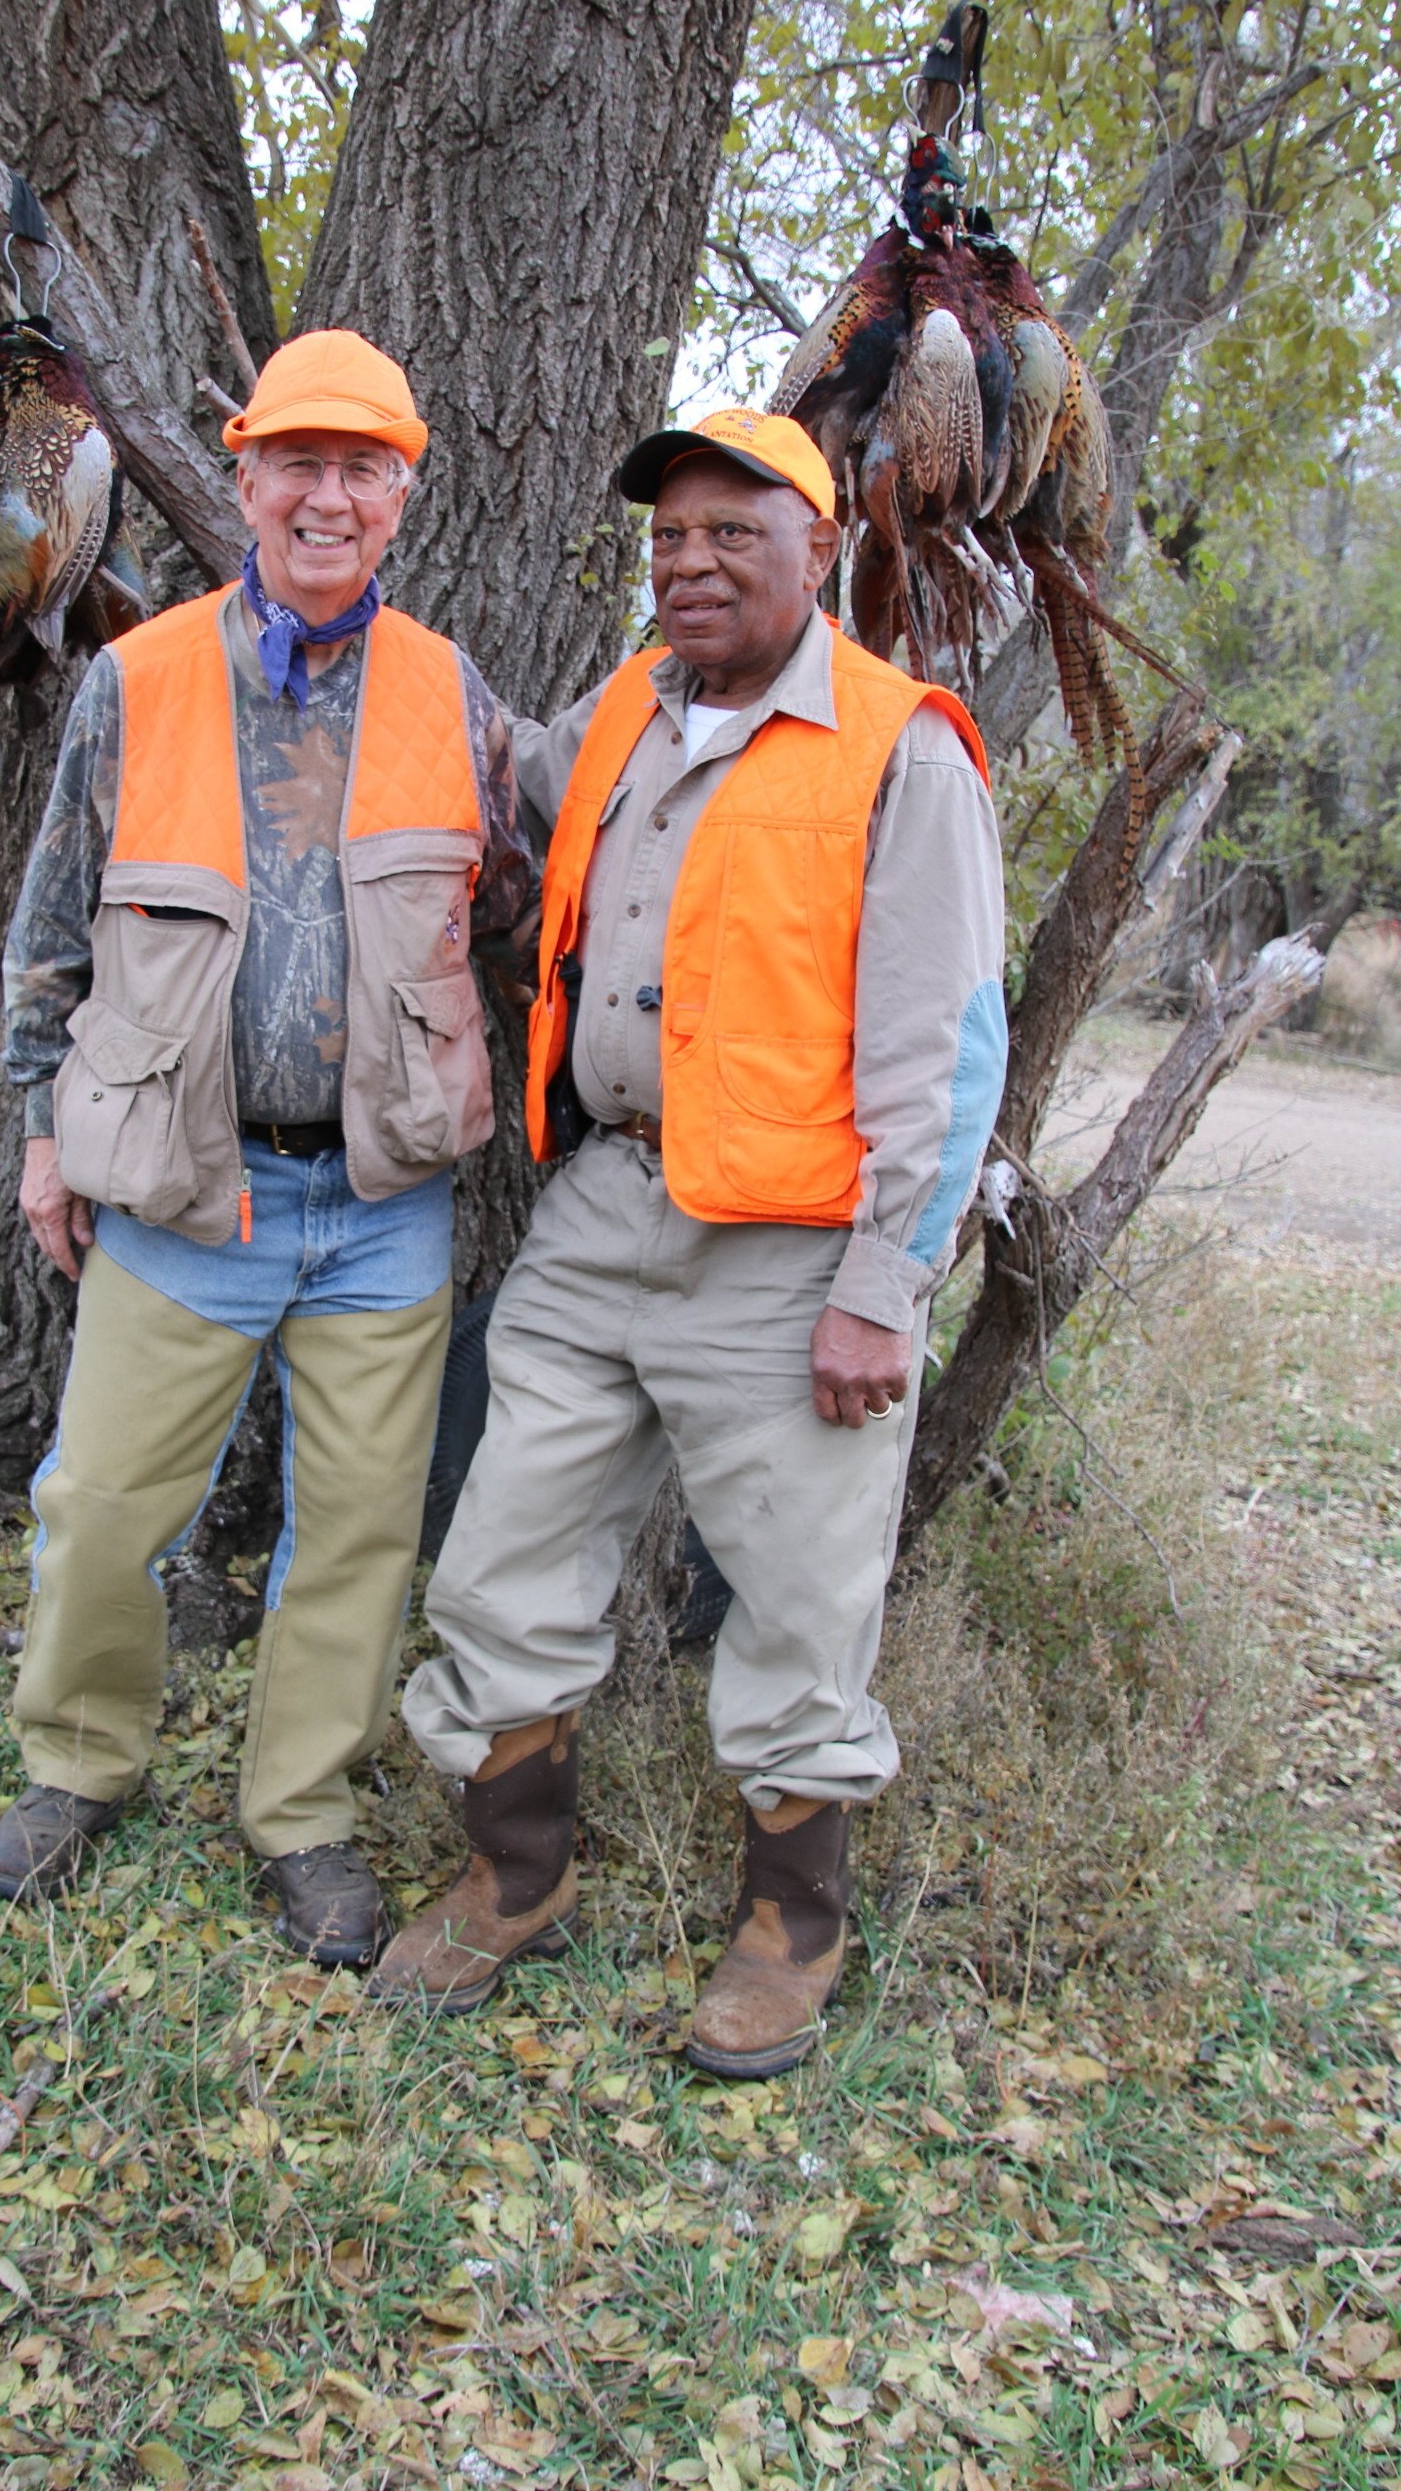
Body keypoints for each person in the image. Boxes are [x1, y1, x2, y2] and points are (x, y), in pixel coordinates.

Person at [372, 407, 1006, 2076]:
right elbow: (491, 770)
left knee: (798, 1610)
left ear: (822, 550)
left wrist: (887, 1286)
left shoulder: (899, 745)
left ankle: (791, 1933)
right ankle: (517, 1876)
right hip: (602, 1214)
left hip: (793, 1254)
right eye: (671, 537)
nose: (694, 561)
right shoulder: (625, 715)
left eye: (736, 532)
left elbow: (954, 1046)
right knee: (503, 1556)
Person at [0, 328, 532, 1963]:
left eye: (361, 467)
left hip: (380, 1203)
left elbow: (514, 913)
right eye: (296, 460)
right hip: (182, 1189)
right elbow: (49, 932)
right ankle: (81, 1763)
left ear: (401, 496)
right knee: (100, 1507)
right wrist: (39, 1129)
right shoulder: (135, 678)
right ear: (242, 477)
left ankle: (300, 1814)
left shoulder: (453, 690)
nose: (326, 495)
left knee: (361, 1530)